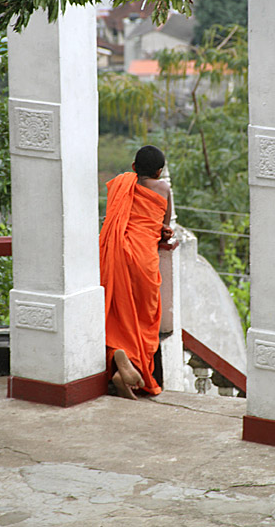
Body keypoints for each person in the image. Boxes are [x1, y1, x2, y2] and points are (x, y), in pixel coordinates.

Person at [99, 145, 173, 399]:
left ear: (133, 168)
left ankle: (121, 353)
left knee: (120, 311)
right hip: (143, 258)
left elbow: (115, 217)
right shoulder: (163, 188)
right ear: (160, 171)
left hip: (118, 252)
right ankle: (133, 363)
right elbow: (166, 221)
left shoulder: (121, 184)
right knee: (146, 316)